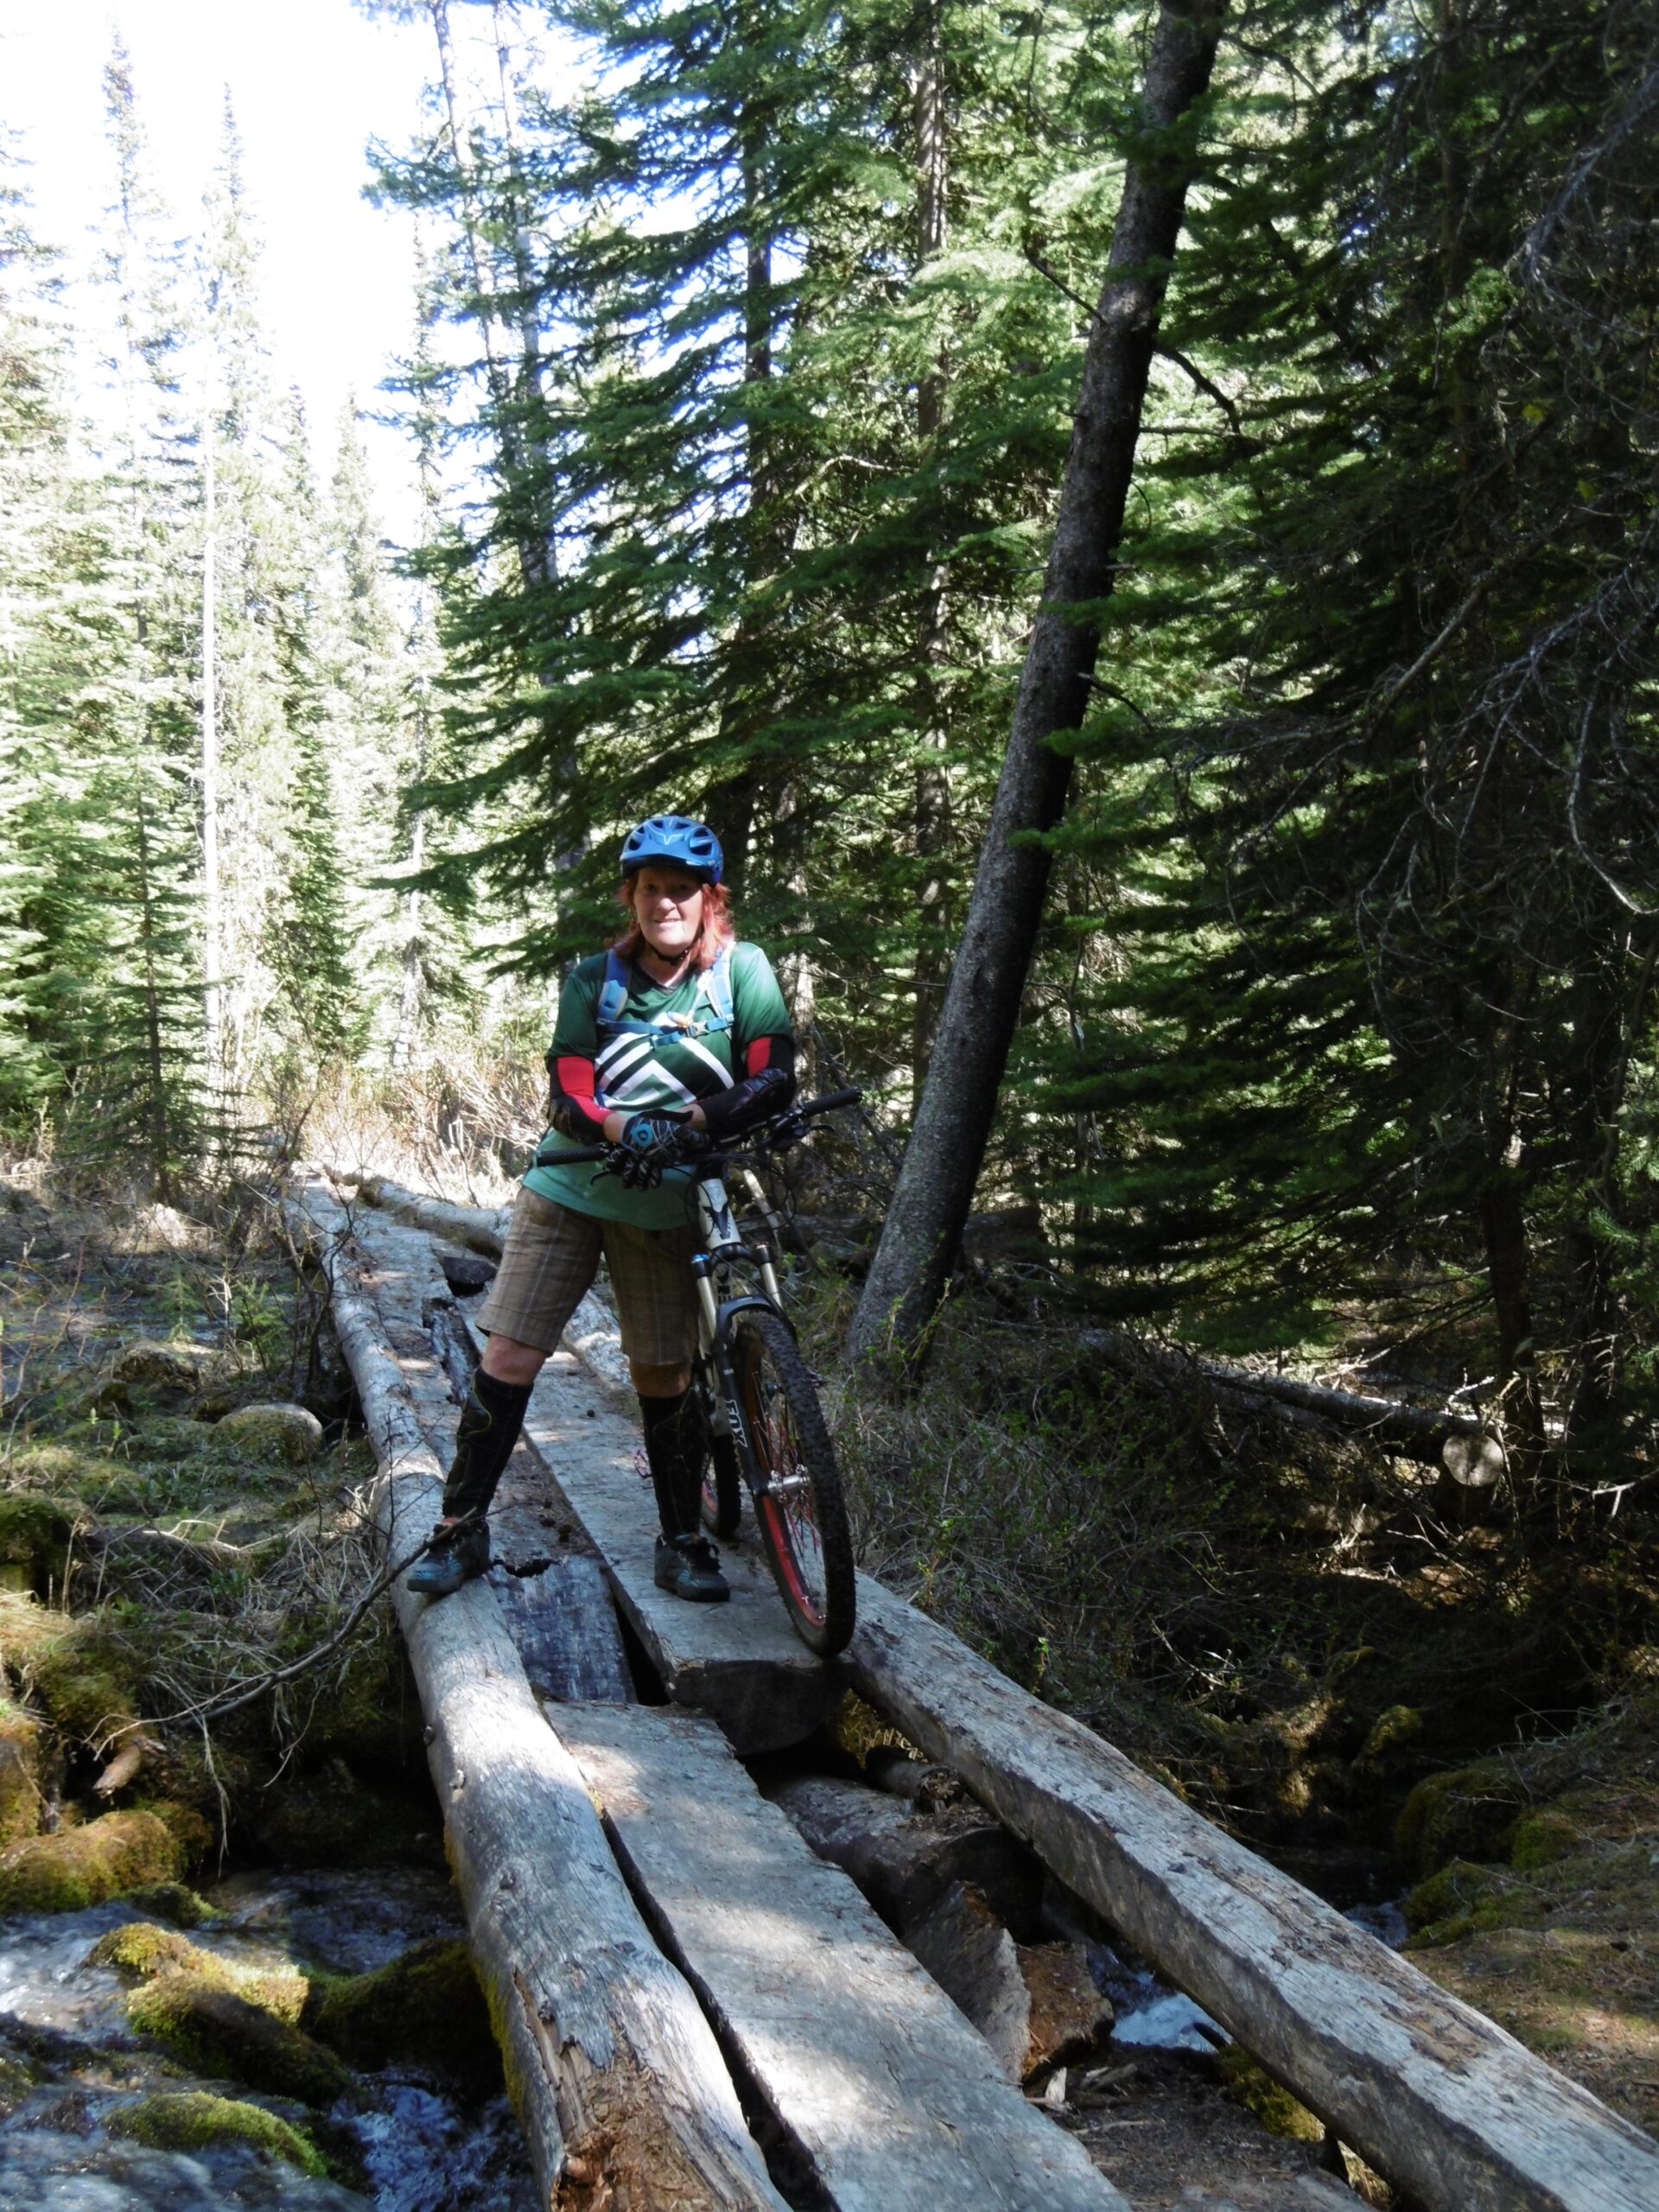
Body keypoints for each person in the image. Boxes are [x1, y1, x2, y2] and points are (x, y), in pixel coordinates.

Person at [406, 814, 797, 1603]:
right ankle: (461, 1528)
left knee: (663, 1374)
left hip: (667, 1202)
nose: (665, 903)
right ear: (632, 897)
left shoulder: (743, 972)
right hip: (572, 1185)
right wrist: (626, 1125)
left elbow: (772, 1072)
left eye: (681, 890)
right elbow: (570, 1090)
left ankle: (682, 1541)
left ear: (708, 898)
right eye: (651, 889)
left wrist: (692, 1125)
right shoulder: (595, 980)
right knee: (511, 1354)